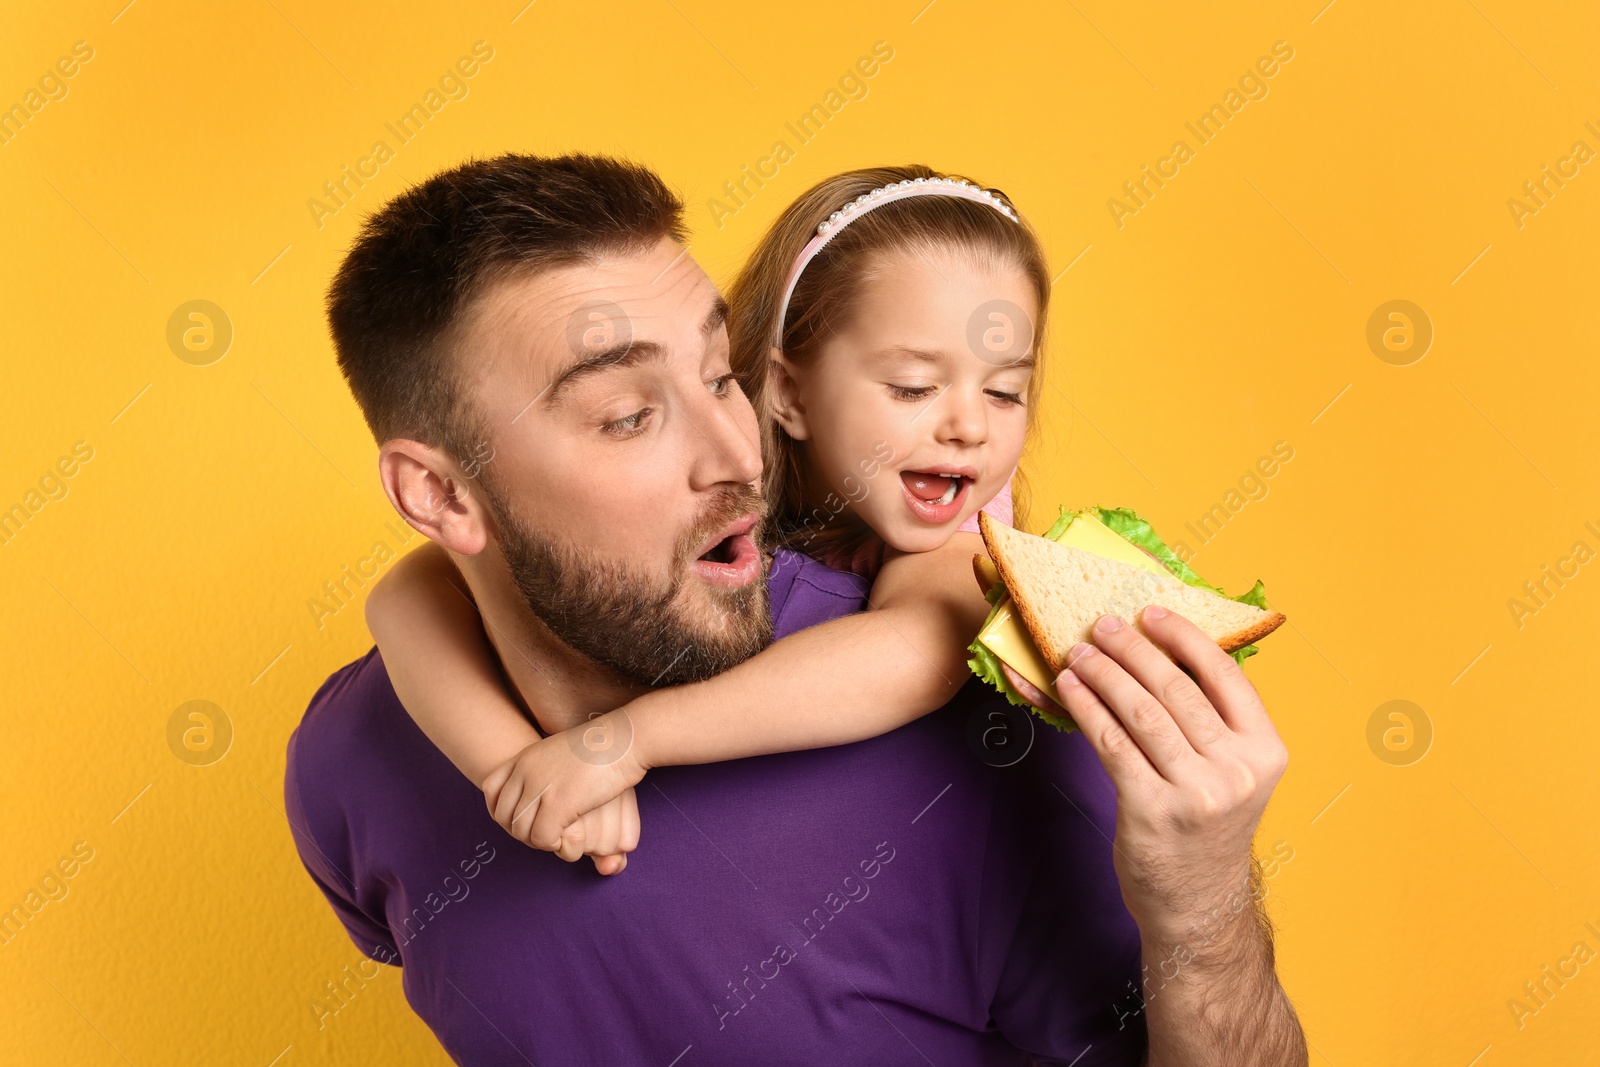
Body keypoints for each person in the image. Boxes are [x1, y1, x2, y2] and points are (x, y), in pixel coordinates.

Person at [284, 152, 1307, 1065]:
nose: (736, 458)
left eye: (716, 376)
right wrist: (516, 764)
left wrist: (1202, 902)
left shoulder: (986, 732)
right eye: (631, 414)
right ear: (440, 496)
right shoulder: (349, 757)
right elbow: (408, 592)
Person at [363, 164, 1047, 865]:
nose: (969, 427)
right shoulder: (720, 447)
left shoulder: (968, 531)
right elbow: (403, 595)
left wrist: (628, 740)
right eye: (913, 387)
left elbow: (920, 652)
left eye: (1005, 392)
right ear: (786, 391)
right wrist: (519, 770)